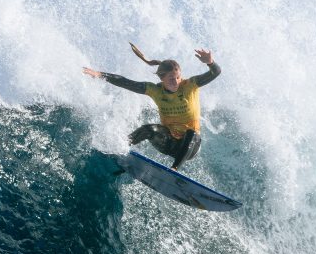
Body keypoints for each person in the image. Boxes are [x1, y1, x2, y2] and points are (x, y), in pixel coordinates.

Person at [83, 43, 221, 169]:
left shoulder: (190, 86)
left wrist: (210, 62)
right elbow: (126, 82)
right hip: (168, 143)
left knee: (192, 133)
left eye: (178, 77)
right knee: (148, 129)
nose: (176, 81)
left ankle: (174, 169)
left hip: (190, 148)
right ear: (162, 79)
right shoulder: (155, 90)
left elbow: (216, 72)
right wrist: (100, 74)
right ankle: (118, 149)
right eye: (171, 79)